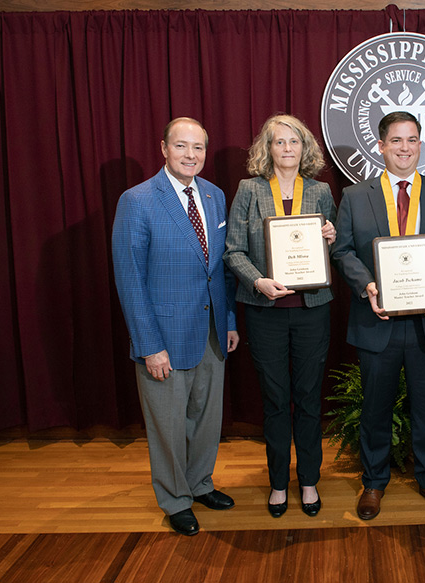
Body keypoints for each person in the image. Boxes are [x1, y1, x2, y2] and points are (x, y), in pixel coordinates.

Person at [332, 111, 425, 520]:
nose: (405, 148)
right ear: (381, 146)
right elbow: (342, 251)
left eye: (412, 140)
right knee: (375, 407)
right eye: (396, 141)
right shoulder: (357, 197)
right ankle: (374, 483)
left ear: (421, 144)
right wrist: (366, 285)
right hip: (377, 320)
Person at [112, 117, 239, 536]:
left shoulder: (216, 196)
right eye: (182, 146)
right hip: (164, 337)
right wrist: (149, 345)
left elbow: (221, 268)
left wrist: (230, 320)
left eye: (198, 147)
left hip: (212, 331)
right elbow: (130, 279)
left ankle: (200, 483)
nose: (191, 155)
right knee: (167, 424)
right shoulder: (138, 200)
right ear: (163, 148)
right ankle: (174, 498)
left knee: (206, 418)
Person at [224, 114, 336, 518]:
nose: (287, 149)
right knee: (275, 401)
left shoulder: (321, 191)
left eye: (294, 142)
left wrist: (332, 235)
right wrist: (258, 282)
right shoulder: (249, 190)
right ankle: (276, 483)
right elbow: (233, 250)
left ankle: (308, 481)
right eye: (279, 142)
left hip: (311, 311)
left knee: (308, 400)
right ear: (266, 149)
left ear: (304, 148)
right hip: (266, 311)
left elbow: (334, 245)